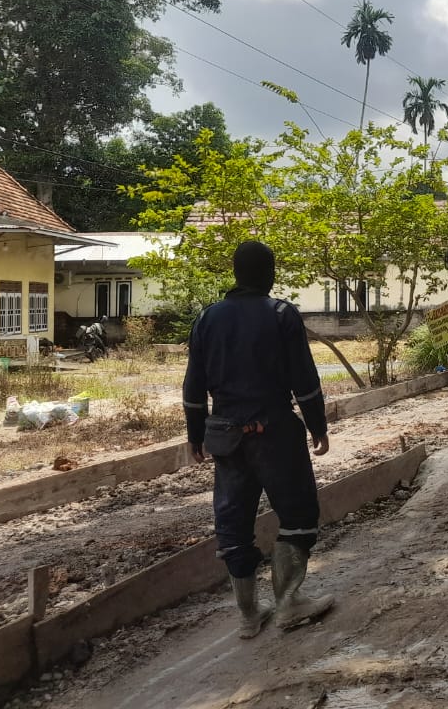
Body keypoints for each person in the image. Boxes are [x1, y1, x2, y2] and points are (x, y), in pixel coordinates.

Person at [182, 240, 334, 638]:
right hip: (275, 433)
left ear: (235, 274)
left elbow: (193, 386)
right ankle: (288, 604)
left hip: (224, 437)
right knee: (298, 515)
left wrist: (194, 434)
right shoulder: (281, 314)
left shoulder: (206, 319)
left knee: (233, 524)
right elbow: (304, 380)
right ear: (269, 274)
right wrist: (317, 425)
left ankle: (249, 615)